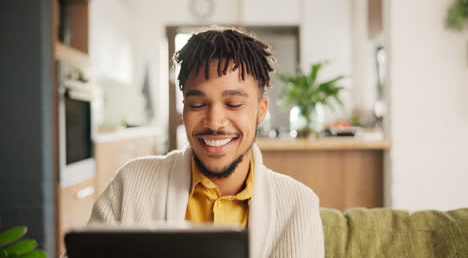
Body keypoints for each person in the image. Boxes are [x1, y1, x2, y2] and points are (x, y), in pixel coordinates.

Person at [88, 27, 324, 257]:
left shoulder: (298, 205)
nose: (214, 121)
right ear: (184, 108)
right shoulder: (130, 184)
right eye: (198, 105)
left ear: (261, 111)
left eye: (233, 104)